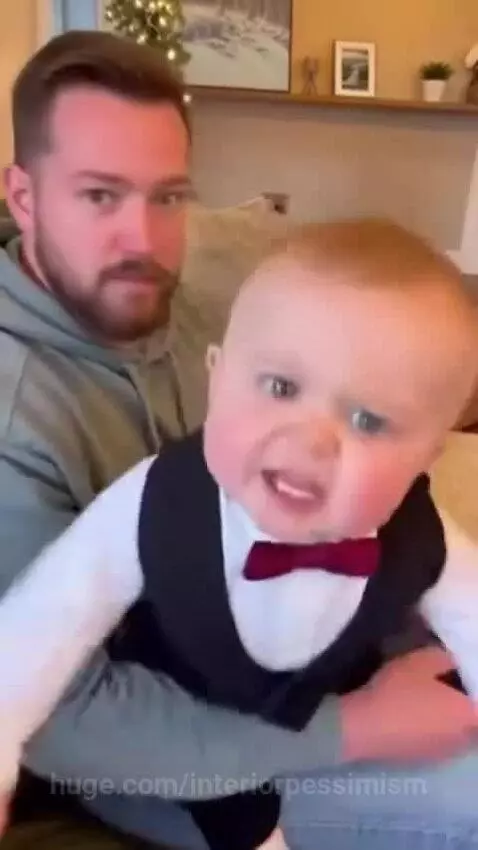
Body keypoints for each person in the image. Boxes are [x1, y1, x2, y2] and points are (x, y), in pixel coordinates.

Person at [0, 26, 477, 850]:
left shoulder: (205, 286)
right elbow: (60, 719)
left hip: (329, 643)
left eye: (170, 196)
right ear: (23, 197)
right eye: (100, 196)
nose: (145, 242)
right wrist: (356, 728)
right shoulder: (16, 409)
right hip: (174, 764)